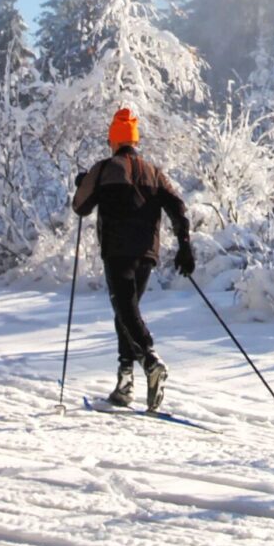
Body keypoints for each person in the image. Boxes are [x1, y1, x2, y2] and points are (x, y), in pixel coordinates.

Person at [72, 108, 195, 410]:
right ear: (135, 142)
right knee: (127, 312)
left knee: (125, 310)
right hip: (147, 254)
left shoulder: (103, 169)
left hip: (117, 251)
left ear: (113, 141)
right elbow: (178, 208)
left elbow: (80, 208)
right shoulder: (154, 172)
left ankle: (150, 361)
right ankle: (125, 383)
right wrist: (184, 245)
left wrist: (83, 183)